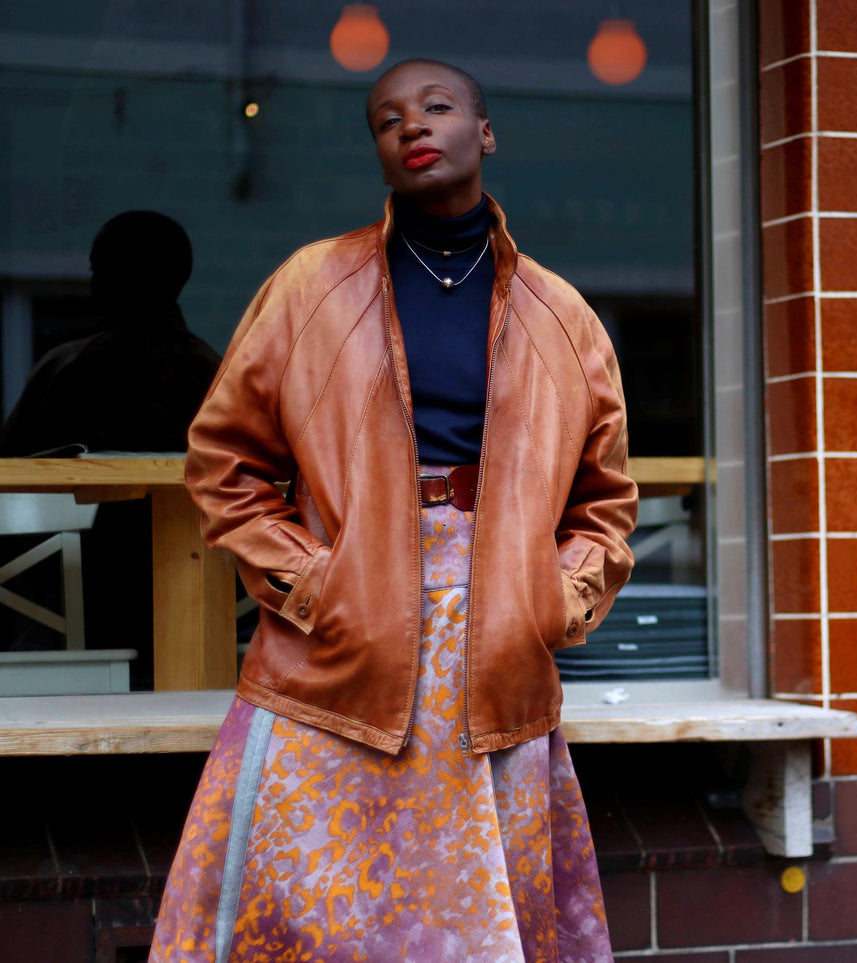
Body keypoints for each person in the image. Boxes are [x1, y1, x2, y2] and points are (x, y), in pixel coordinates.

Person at [150, 59, 637, 962]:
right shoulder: (310, 285)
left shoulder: (563, 315)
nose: (411, 126)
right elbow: (223, 463)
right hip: (335, 652)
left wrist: (554, 599)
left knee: (469, 929)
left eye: (436, 107)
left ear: (484, 133)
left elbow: (603, 500)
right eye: (387, 120)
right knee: (309, 921)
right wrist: (316, 584)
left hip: (498, 648)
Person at [0, 211, 220, 668]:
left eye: (98, 272)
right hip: (205, 612)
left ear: (112, 280)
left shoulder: (68, 371)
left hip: (70, 625)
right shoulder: (220, 378)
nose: (92, 286)